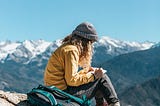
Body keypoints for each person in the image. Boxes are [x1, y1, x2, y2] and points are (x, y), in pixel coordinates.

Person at [44, 22, 120, 106]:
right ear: (86, 42)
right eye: (91, 43)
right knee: (101, 78)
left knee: (96, 77)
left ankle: (101, 104)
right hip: (62, 94)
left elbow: (67, 76)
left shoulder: (66, 47)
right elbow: (71, 80)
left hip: (54, 90)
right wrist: (94, 76)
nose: (91, 46)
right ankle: (114, 103)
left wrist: (87, 72)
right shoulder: (71, 51)